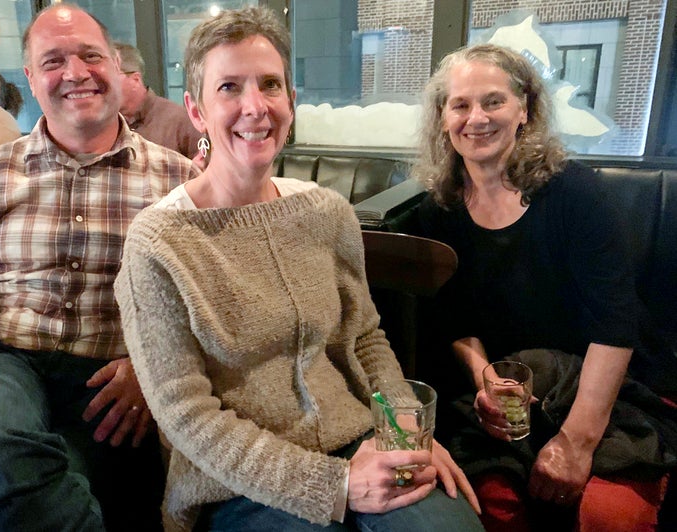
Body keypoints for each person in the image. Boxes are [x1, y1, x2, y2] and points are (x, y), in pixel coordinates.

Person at [114, 7, 483, 532]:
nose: (255, 107)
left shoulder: (325, 211)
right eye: (229, 87)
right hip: (237, 485)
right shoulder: (157, 242)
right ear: (196, 111)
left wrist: (405, 434)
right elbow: (185, 414)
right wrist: (331, 486)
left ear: (292, 99)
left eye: (270, 85)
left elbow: (365, 339)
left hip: (360, 440)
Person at [0, 4, 198, 531]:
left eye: (91, 56)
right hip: (7, 362)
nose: (75, 73)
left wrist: (156, 364)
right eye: (53, 61)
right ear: (30, 79)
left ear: (117, 68)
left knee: (99, 496)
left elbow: (209, 304)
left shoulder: (179, 182)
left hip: (118, 380)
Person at [411, 43, 677, 531]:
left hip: (598, 390)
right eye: (460, 104)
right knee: (490, 508)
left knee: (609, 516)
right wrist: (486, 378)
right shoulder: (437, 210)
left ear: (524, 109)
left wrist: (576, 443)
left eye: (493, 101)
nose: (477, 118)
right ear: (443, 118)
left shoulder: (577, 195)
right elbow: (453, 323)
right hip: (508, 398)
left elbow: (615, 326)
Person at [115, 41, 203, 164]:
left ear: (135, 80)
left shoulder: (180, 120)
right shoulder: (105, 126)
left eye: (112, 76)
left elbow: (207, 171)